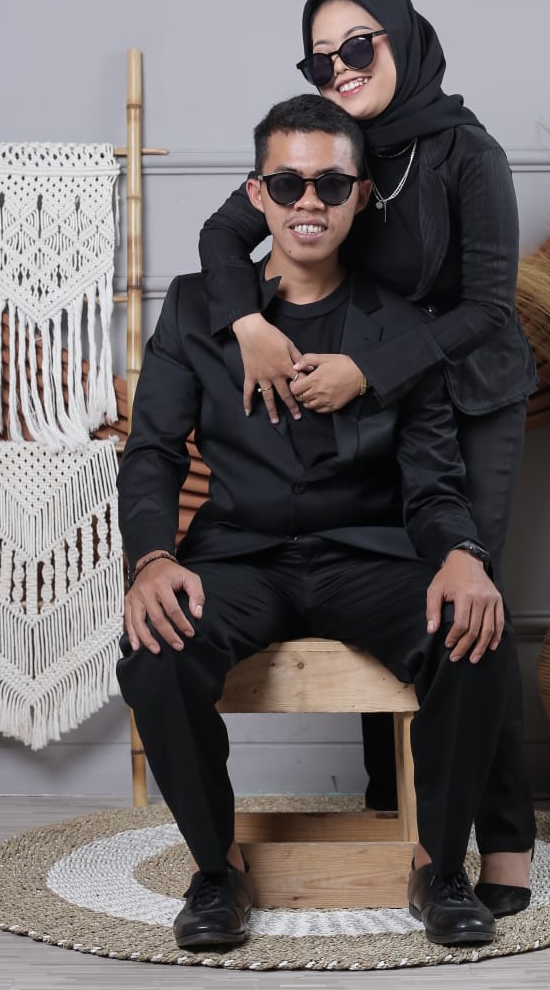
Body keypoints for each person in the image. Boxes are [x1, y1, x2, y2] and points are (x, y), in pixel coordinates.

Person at [117, 95, 510, 951]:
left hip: (366, 555)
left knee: (474, 628)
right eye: (288, 182)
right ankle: (216, 871)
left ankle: (439, 868)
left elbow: (433, 482)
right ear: (256, 193)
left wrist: (462, 553)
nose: (309, 201)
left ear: (360, 196)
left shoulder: (401, 329)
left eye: (331, 184)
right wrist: (151, 558)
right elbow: (152, 452)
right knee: (155, 647)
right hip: (239, 558)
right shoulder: (194, 309)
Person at [198, 0, 538, 915]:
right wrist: (247, 326)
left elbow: (487, 307)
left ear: (407, 41)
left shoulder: (468, 152)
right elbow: (223, 234)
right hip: (381, 403)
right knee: (383, 575)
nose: (340, 70)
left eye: (359, 46)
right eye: (321, 58)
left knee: (470, 605)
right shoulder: (328, 151)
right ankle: (404, 807)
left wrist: (368, 369)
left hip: (466, 397)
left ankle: (505, 839)